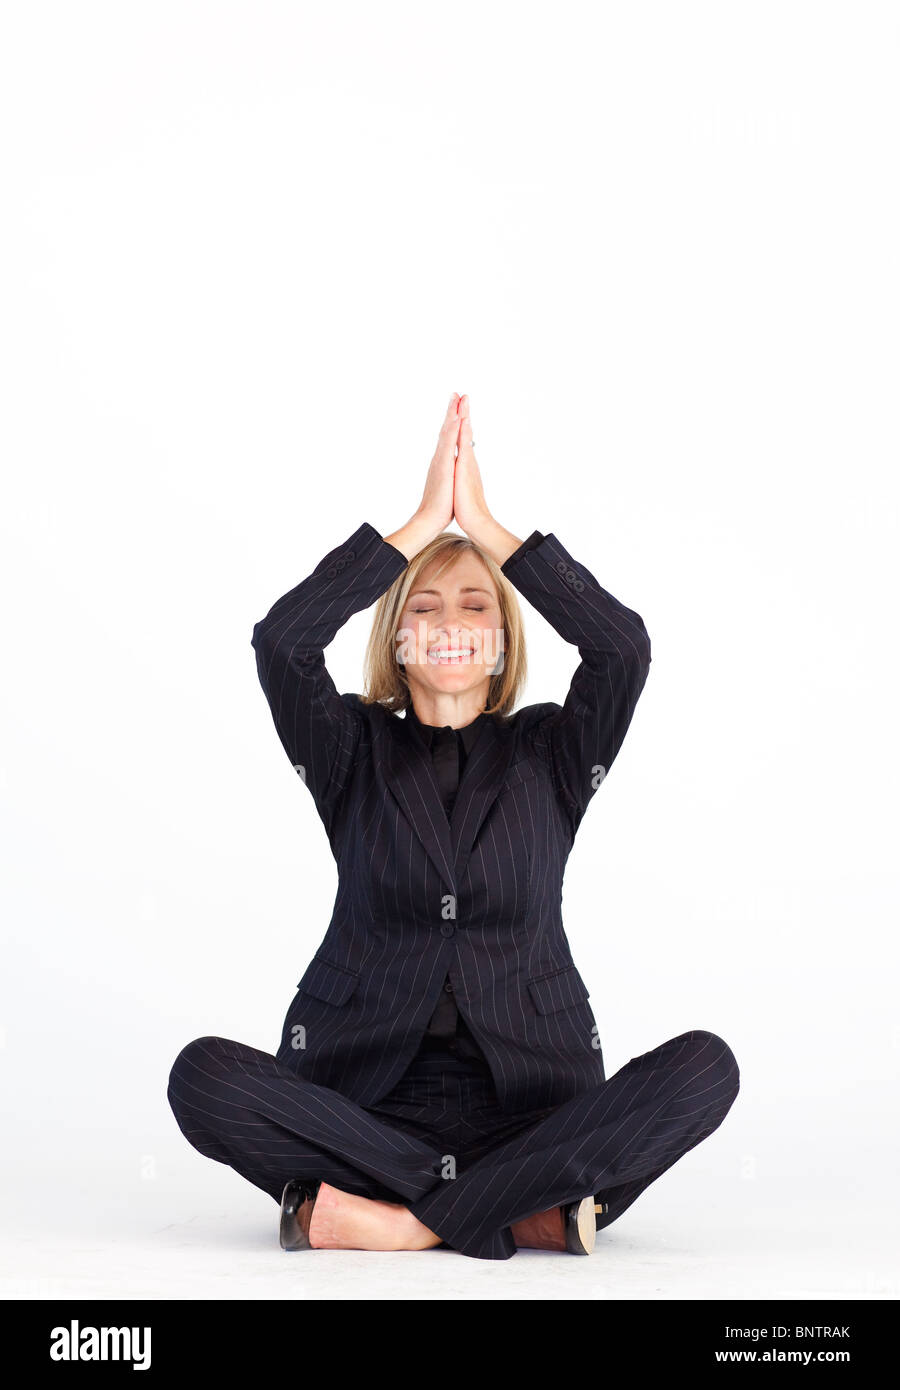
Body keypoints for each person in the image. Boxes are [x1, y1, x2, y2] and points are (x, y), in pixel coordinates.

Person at [167, 392, 740, 1260]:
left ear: (504, 641)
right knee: (202, 1076)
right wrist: (419, 525)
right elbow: (283, 642)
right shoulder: (348, 748)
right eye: (423, 607)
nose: (448, 625)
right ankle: (520, 1212)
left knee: (707, 1067)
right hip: (365, 1101)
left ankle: (398, 1222)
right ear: (395, 638)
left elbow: (621, 648)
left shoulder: (552, 750)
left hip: (533, 1105)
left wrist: (491, 531)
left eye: (476, 606)